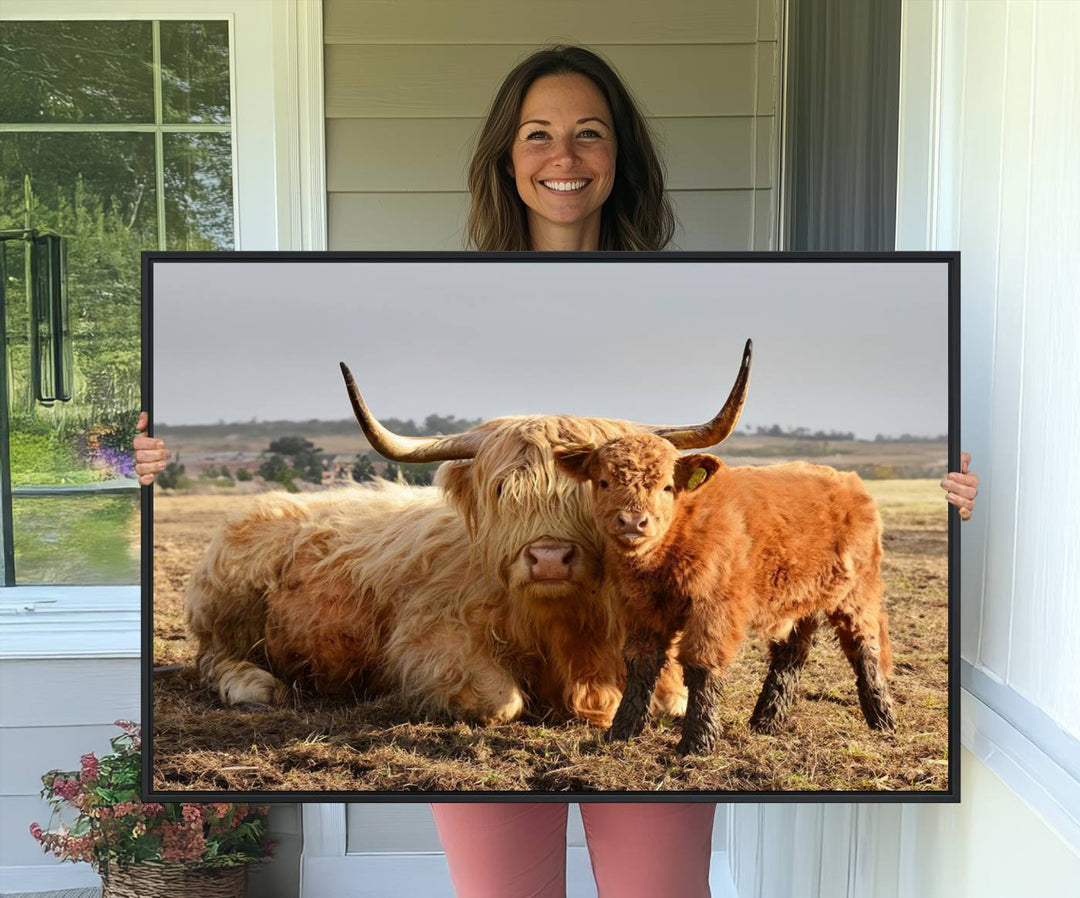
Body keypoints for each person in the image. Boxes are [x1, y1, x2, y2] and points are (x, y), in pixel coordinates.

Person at [134, 45, 978, 898]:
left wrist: (951, 489)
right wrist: (145, 456)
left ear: (621, 156)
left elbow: (700, 496)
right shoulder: (435, 286)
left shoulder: (696, 288)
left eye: (590, 134)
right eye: (537, 134)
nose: (563, 157)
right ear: (507, 155)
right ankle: (221, 661)